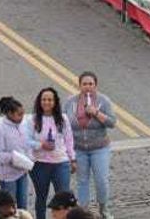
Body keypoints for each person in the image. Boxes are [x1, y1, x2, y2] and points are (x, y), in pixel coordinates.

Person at [62, 72, 117, 219]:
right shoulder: (71, 102)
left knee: (101, 180)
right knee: (82, 180)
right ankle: (83, 211)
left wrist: (97, 113)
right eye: (84, 84)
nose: (87, 87)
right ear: (79, 85)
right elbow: (63, 123)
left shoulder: (103, 101)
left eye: (91, 84)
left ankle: (103, 207)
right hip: (79, 148)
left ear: (95, 85)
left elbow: (112, 122)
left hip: (99, 147)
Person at [24, 87, 75, 219]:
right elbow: (26, 140)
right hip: (40, 164)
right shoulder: (33, 120)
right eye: (44, 99)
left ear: (55, 102)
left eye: (50, 100)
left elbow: (69, 139)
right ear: (39, 102)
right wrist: (41, 145)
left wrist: (72, 159)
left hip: (61, 163)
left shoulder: (62, 119)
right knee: (41, 196)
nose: (46, 102)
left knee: (64, 196)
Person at [0, 96, 32, 211]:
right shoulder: (0, 130)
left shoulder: (23, 125)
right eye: (19, 114)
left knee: (23, 205)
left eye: (23, 113)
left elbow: (28, 143)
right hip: (7, 174)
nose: (22, 117)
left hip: (22, 171)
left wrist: (28, 158)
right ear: (9, 114)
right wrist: (12, 158)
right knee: (9, 207)